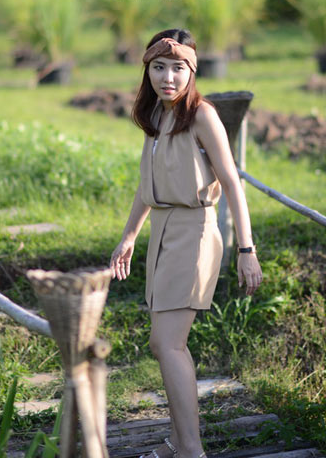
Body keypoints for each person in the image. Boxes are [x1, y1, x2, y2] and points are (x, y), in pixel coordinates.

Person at [110, 28, 262, 458]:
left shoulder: (202, 116)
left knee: (168, 343)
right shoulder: (156, 115)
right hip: (162, 231)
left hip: (194, 232)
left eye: (178, 68)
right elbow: (147, 185)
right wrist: (129, 236)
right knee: (164, 344)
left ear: (192, 70)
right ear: (147, 70)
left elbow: (232, 183)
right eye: (159, 67)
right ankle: (179, 443)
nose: (168, 77)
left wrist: (246, 250)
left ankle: (191, 451)